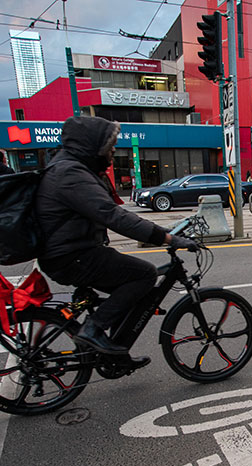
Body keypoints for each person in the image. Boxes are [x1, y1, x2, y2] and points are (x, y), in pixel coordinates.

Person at [34, 116, 198, 356]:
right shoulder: (70, 173)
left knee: (128, 287)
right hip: (72, 256)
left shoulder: (68, 168)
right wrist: (167, 238)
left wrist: (163, 230)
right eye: (109, 145)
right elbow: (113, 216)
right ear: (91, 146)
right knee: (145, 274)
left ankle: (113, 350)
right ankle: (93, 329)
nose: (113, 151)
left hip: (73, 252)